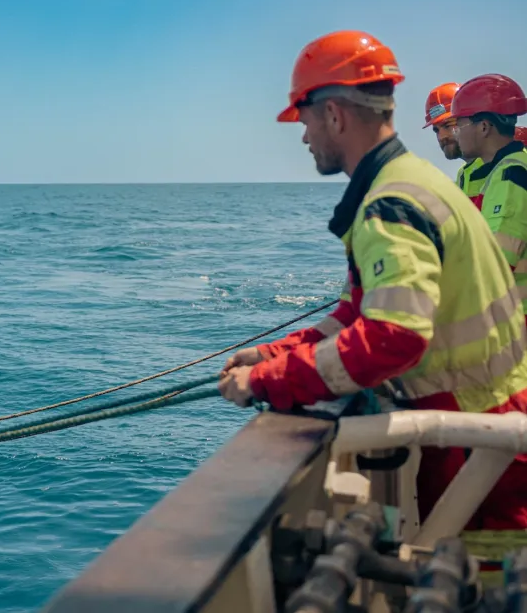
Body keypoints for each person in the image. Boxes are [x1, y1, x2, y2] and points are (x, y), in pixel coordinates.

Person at [217, 30, 527, 560]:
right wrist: (276, 352)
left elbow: (392, 337)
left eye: (305, 120)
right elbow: (358, 312)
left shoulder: (392, 203)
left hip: (477, 446)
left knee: (484, 582)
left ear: (334, 114)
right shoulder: (414, 180)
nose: (303, 137)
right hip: (484, 424)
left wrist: (272, 380)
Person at [452, 73, 527, 319]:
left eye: (459, 125)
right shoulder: (501, 169)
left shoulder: (511, 174)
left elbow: (496, 265)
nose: (456, 134)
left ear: (484, 127)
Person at [424, 82, 486, 206]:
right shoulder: (463, 175)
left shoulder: (500, 165)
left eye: (447, 125)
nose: (442, 137)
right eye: (436, 130)